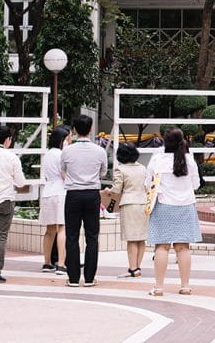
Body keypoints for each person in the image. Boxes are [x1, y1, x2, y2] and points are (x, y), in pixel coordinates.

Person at [146, 128, 201, 297]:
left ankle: (159, 287)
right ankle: (185, 286)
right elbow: (196, 185)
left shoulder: (157, 160)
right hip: (185, 206)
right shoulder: (189, 161)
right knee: (183, 248)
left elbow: (148, 183)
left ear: (164, 141)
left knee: (161, 247)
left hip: (163, 205)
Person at [61, 114, 107, 287]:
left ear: (74, 130)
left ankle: (73, 278)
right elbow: (103, 173)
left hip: (73, 194)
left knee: (71, 236)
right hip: (92, 194)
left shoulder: (67, 150)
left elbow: (63, 169)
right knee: (92, 237)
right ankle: (89, 277)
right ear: (90, 129)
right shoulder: (99, 151)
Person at [0, 125, 29, 284]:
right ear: (8, 140)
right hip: (5, 200)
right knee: (0, 237)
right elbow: (21, 182)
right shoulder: (12, 157)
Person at [107, 142, 148, 278]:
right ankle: (137, 268)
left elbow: (117, 190)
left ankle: (133, 268)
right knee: (141, 238)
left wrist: (108, 191)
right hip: (143, 203)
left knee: (131, 239)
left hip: (129, 204)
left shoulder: (121, 169)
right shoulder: (143, 168)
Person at [39, 126, 70, 274]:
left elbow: (46, 176)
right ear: (62, 140)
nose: (69, 141)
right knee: (62, 228)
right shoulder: (62, 155)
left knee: (49, 230)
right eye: (68, 139)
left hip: (47, 192)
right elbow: (64, 176)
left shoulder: (47, 154)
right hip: (60, 192)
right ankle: (61, 264)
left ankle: (47, 262)